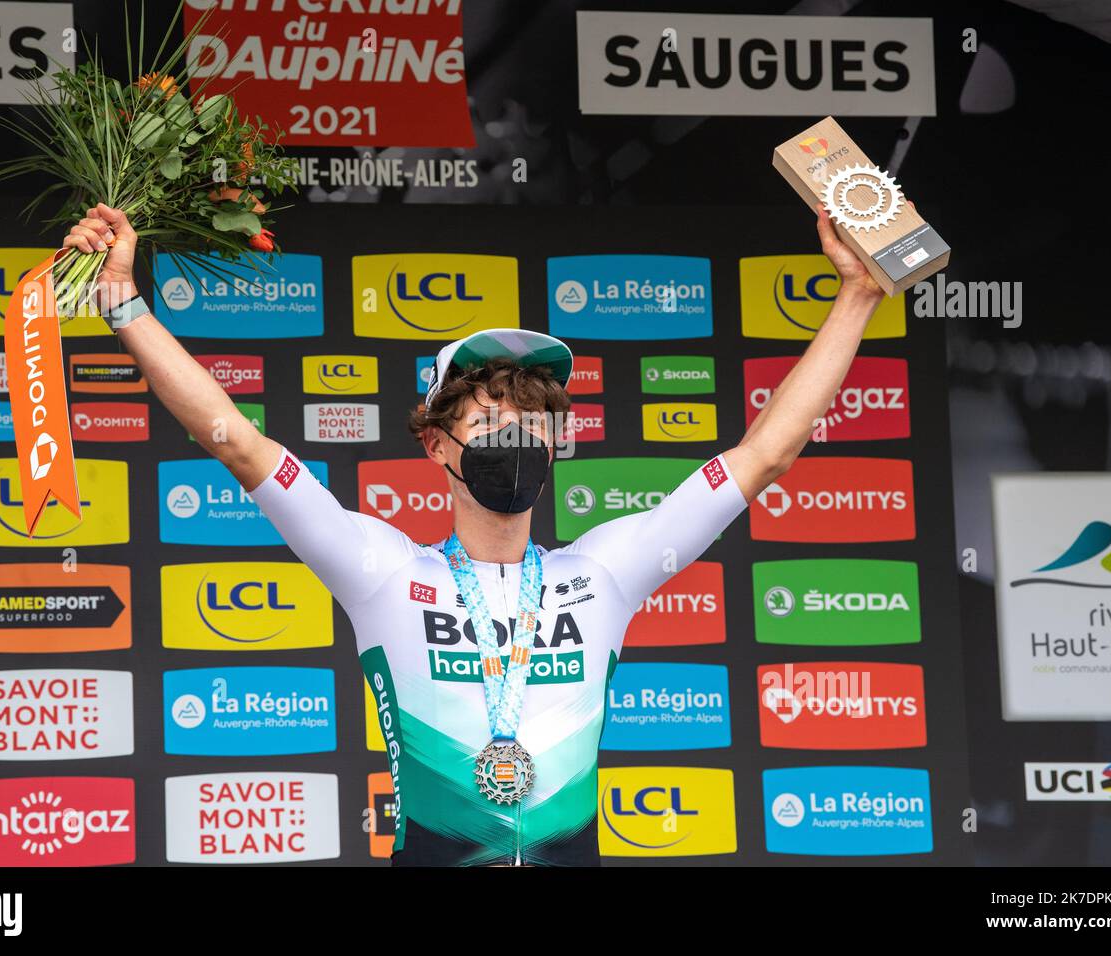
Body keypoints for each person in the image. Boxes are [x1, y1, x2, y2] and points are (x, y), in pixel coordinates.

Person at [64, 200, 887, 866]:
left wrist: (857, 294)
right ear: (435, 444)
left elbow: (767, 452)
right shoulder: (381, 569)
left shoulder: (603, 572)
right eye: (490, 418)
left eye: (534, 420)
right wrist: (123, 305)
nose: (515, 436)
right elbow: (235, 441)